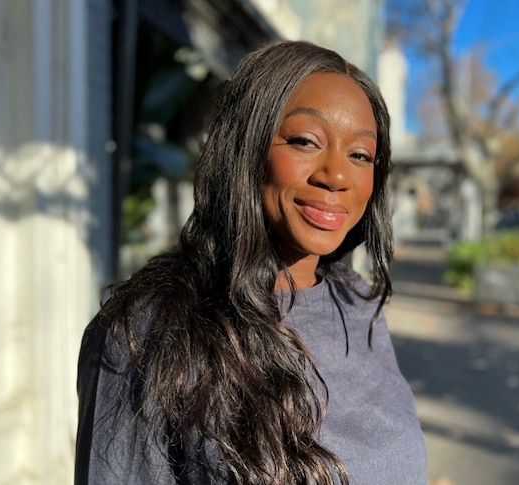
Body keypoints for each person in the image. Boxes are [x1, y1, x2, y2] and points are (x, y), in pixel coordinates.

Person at [74, 40, 427, 484]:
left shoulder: (357, 303)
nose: (336, 176)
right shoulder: (147, 333)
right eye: (304, 141)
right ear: (244, 148)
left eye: (360, 155)